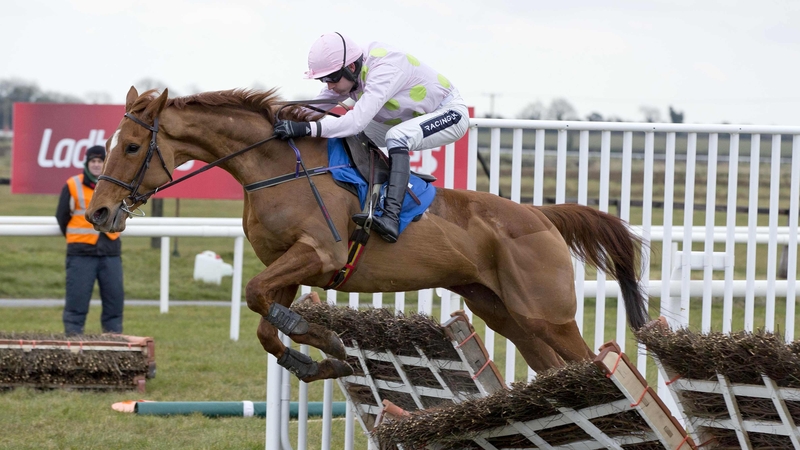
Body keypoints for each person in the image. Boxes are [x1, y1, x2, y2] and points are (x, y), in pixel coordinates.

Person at [273, 32, 470, 243]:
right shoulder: (350, 70)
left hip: (450, 114)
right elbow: (315, 107)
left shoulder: (385, 69)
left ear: (350, 68)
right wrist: (280, 120)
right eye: (323, 79)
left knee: (397, 137)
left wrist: (307, 129)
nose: (328, 85)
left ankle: (392, 217)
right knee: (359, 138)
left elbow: (355, 121)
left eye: (331, 78)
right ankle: (371, 199)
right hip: (406, 118)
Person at [55, 145, 125, 335]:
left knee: (114, 305)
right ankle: (74, 346)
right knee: (76, 305)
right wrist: (78, 238)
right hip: (80, 253)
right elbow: (62, 217)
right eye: (93, 161)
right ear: (87, 163)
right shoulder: (72, 185)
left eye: (100, 161)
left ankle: (114, 346)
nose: (96, 164)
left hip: (110, 252)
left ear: (105, 163)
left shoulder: (117, 187)